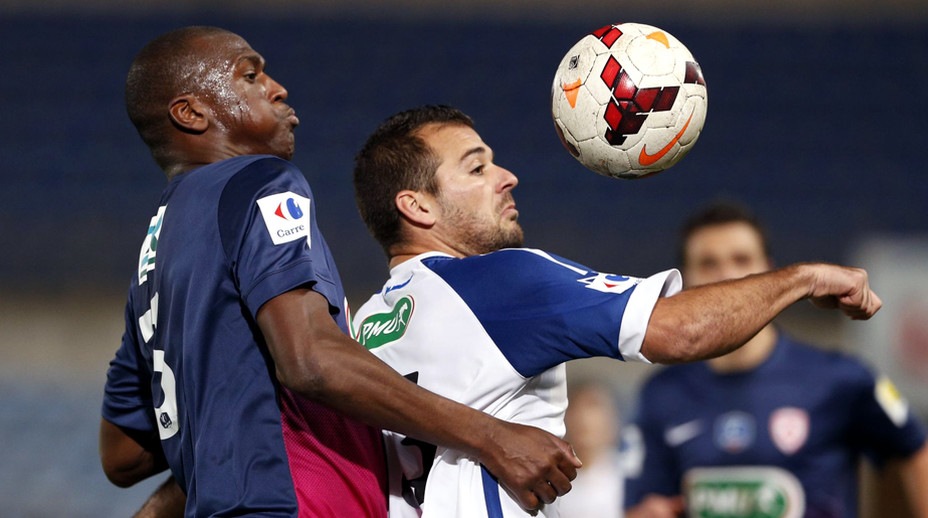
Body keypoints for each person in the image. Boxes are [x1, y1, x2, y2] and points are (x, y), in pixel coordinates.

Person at [99, 27, 580, 518]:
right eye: (250, 74)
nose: (277, 87)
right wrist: (491, 436)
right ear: (191, 113)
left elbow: (124, 454)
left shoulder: (154, 257)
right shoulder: (257, 181)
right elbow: (310, 359)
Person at [349, 105, 882, 517]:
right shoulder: (501, 280)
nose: (506, 176)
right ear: (417, 206)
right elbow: (680, 332)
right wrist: (803, 277)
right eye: (477, 167)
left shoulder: (361, 330)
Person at [623, 202, 928, 518]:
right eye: (709, 263)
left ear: (768, 270)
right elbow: (642, 504)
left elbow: (919, 450)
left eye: (742, 259)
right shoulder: (660, 395)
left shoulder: (838, 377)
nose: (727, 274)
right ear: (685, 283)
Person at [558, 384, 625, 518]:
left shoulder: (630, 481)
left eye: (593, 406)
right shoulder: (549, 481)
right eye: (575, 409)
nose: (583, 418)